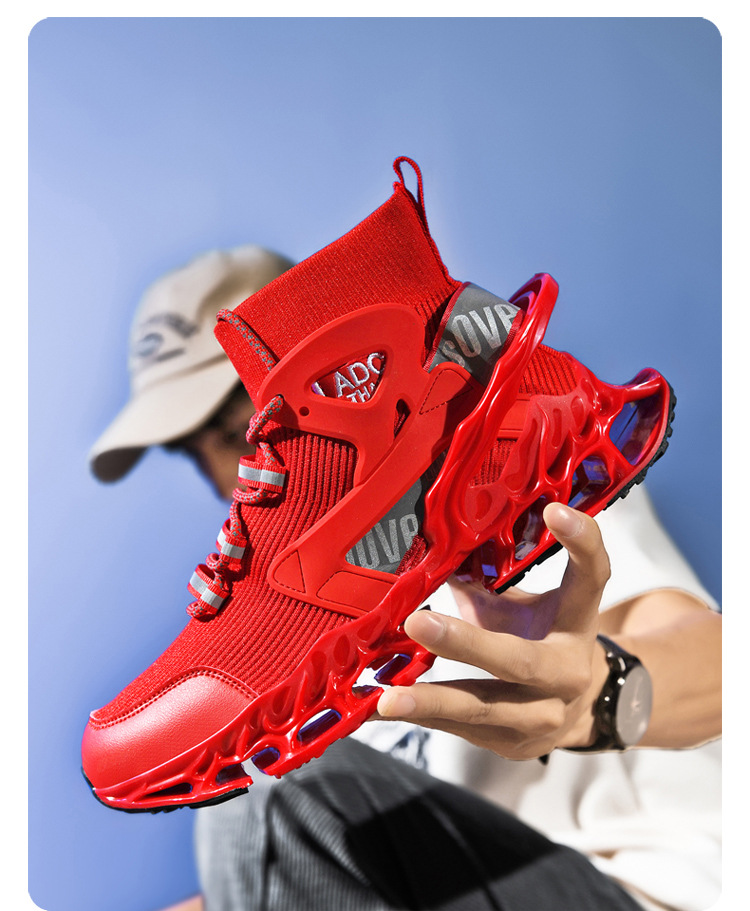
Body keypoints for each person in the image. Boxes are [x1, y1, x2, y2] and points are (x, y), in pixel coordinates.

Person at [90, 244, 721, 911]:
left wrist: (599, 693)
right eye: (193, 456)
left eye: (239, 433)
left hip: (642, 891)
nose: (224, 478)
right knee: (265, 820)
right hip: (446, 883)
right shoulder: (319, 634)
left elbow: (719, 663)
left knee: (272, 799)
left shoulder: (513, 498)